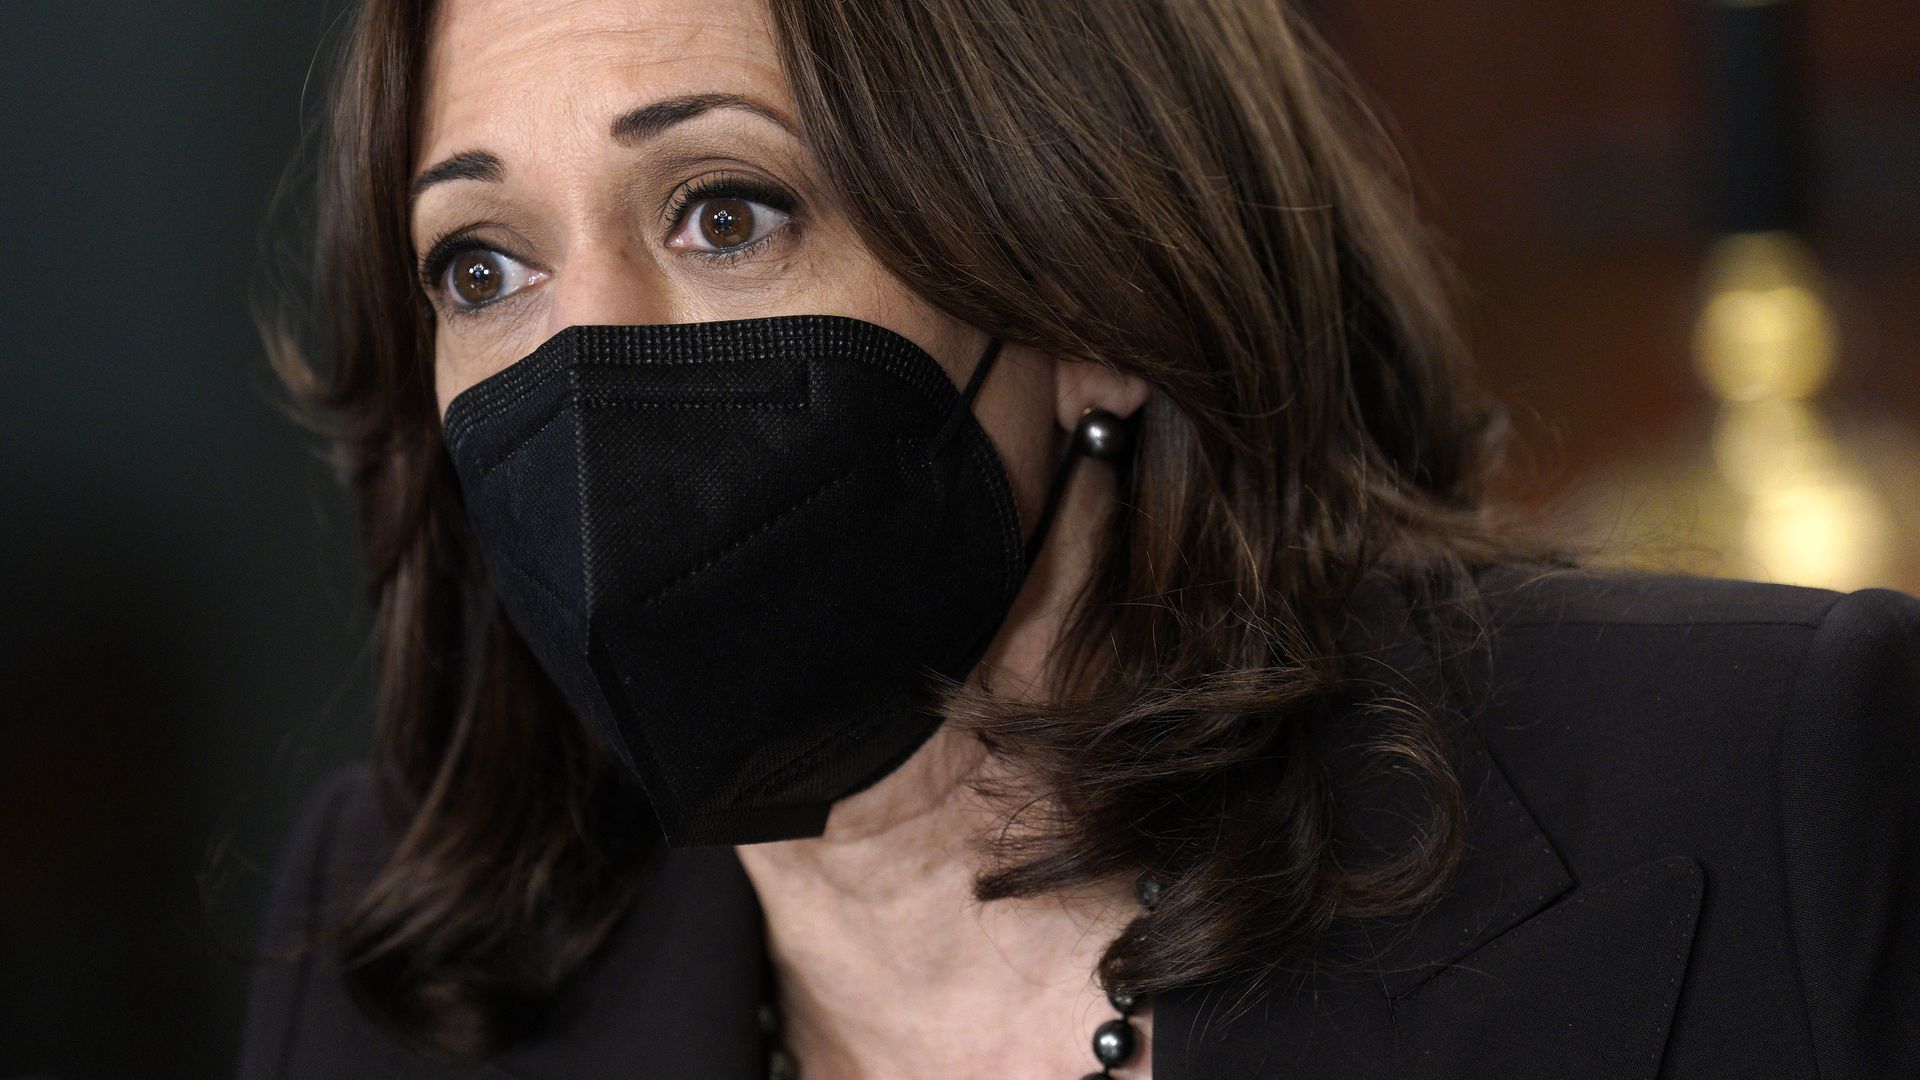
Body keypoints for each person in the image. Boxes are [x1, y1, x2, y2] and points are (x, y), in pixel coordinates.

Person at [238, 0, 1920, 1076]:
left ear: (1090, 292)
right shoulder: (401, 965)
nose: (584, 366)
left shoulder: (1769, 777)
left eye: (727, 213)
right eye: (483, 266)